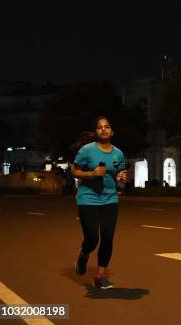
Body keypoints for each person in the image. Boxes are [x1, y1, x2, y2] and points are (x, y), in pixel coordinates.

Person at [71, 116, 128, 289]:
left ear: (112, 131)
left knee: (108, 238)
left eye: (107, 126)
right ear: (96, 132)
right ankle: (84, 253)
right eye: (99, 127)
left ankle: (100, 276)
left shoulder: (118, 153)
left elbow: (121, 172)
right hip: (88, 199)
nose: (103, 129)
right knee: (92, 239)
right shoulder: (86, 150)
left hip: (110, 199)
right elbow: (74, 171)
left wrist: (123, 176)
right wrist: (91, 174)